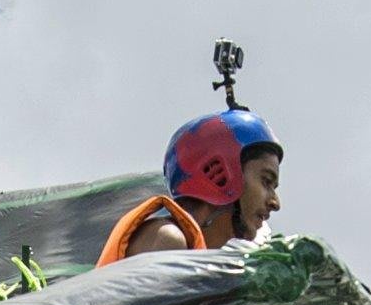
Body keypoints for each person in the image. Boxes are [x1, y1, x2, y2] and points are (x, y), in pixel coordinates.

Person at [99, 104, 282, 264]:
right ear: (224, 173)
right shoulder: (167, 240)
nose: (276, 203)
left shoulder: (196, 256)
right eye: (266, 181)